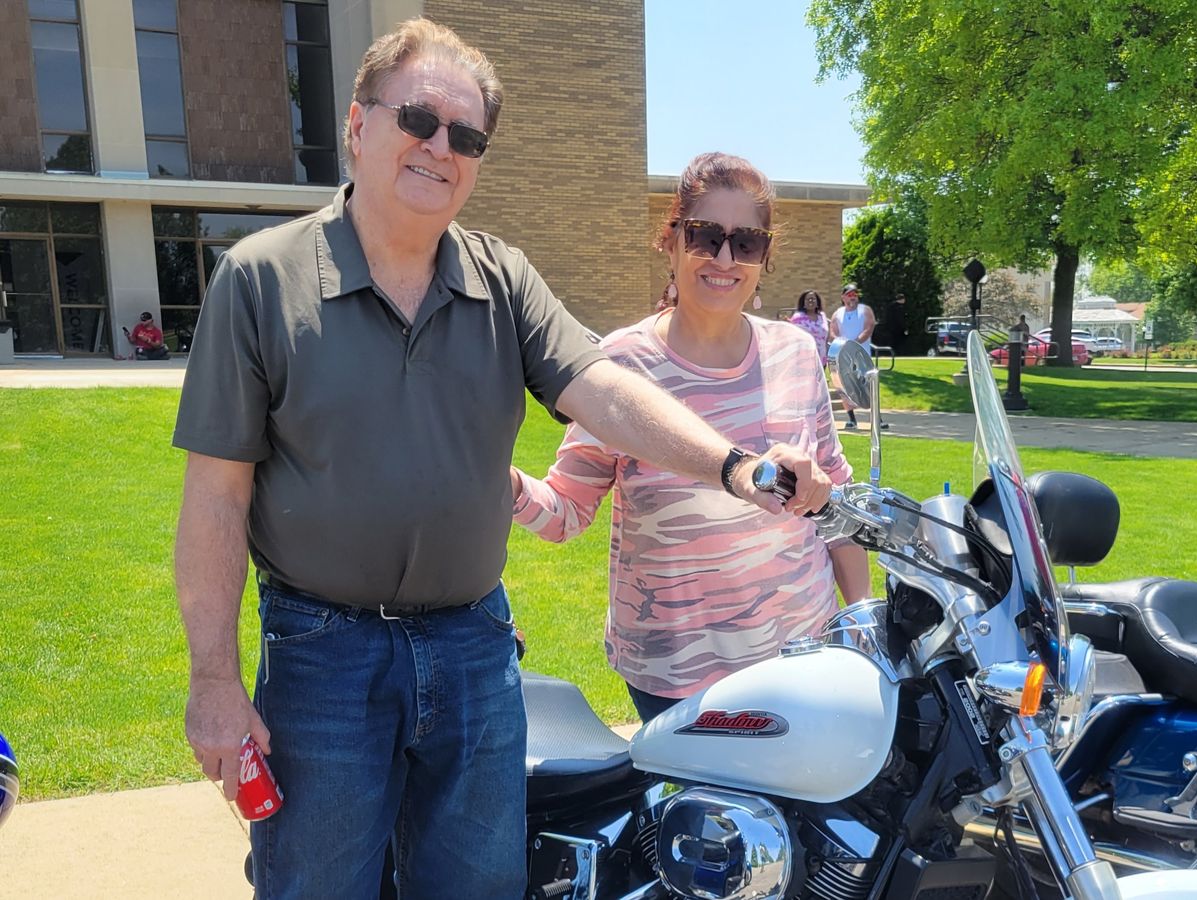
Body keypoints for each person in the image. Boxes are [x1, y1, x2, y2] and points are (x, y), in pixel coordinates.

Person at [172, 21, 828, 899]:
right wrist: (214, 681)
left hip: (472, 649)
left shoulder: (502, 278)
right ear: (358, 125)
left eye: (467, 137)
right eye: (419, 120)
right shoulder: (260, 280)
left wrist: (735, 467)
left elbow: (606, 391)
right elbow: (215, 499)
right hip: (323, 655)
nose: (441, 148)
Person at [510, 153, 871, 724]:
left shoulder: (798, 353)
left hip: (803, 655)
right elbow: (565, 514)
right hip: (677, 675)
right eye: (705, 236)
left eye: (746, 243)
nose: (725, 259)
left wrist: (864, 619)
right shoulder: (619, 365)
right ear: (672, 241)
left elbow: (838, 503)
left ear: (764, 257)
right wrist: (497, 478)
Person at [829, 284, 878, 429]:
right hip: (843, 356)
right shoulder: (838, 313)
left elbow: (869, 328)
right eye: (849, 295)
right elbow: (832, 332)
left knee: (868, 386)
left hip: (862, 355)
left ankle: (877, 418)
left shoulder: (865, 310)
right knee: (843, 386)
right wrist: (842, 344)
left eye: (855, 295)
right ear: (843, 297)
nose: (853, 298)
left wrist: (854, 343)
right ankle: (851, 419)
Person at [790, 289, 830, 367]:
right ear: (803, 303)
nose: (810, 301)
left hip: (821, 359)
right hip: (804, 359)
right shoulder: (797, 318)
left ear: (817, 302)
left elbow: (825, 336)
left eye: (813, 299)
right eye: (808, 299)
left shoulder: (822, 316)